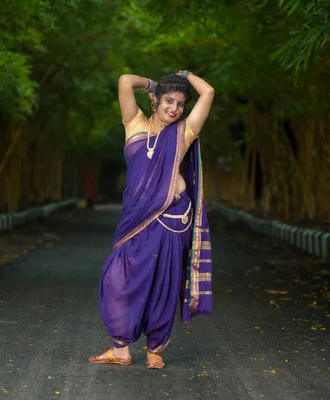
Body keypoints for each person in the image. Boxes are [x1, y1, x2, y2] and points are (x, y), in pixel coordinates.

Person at [88, 70, 215, 369]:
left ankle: (154, 349)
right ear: (155, 101)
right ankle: (121, 348)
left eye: (181, 104)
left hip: (172, 220)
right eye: (169, 101)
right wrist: (152, 85)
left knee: (163, 284)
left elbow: (207, 93)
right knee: (116, 278)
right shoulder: (133, 125)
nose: (174, 108)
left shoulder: (183, 132)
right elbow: (123, 80)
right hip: (136, 222)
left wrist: (186, 75)